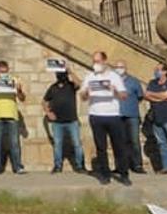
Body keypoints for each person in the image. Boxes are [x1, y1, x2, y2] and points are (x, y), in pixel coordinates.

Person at [79, 51, 131, 186]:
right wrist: (85, 92)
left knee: (118, 146)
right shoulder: (90, 77)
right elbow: (83, 97)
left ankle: (124, 173)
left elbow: (124, 95)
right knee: (101, 147)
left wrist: (114, 90)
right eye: (94, 61)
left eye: (98, 61)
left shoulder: (114, 76)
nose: (95, 64)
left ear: (104, 61)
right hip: (96, 115)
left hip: (113, 115)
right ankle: (105, 174)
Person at [42, 70, 85, 174]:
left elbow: (80, 84)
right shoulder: (53, 87)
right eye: (59, 73)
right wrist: (48, 113)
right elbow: (44, 101)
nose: (61, 75)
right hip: (57, 122)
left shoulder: (71, 85)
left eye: (63, 73)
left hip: (72, 121)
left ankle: (80, 166)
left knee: (77, 144)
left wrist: (70, 71)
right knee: (57, 144)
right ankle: (57, 166)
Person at [114, 60, 146, 174]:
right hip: (117, 116)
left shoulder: (134, 81)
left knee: (134, 141)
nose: (119, 69)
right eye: (117, 67)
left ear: (126, 68)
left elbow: (140, 96)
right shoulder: (112, 81)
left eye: (121, 67)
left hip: (132, 115)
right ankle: (121, 166)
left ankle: (137, 165)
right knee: (119, 142)